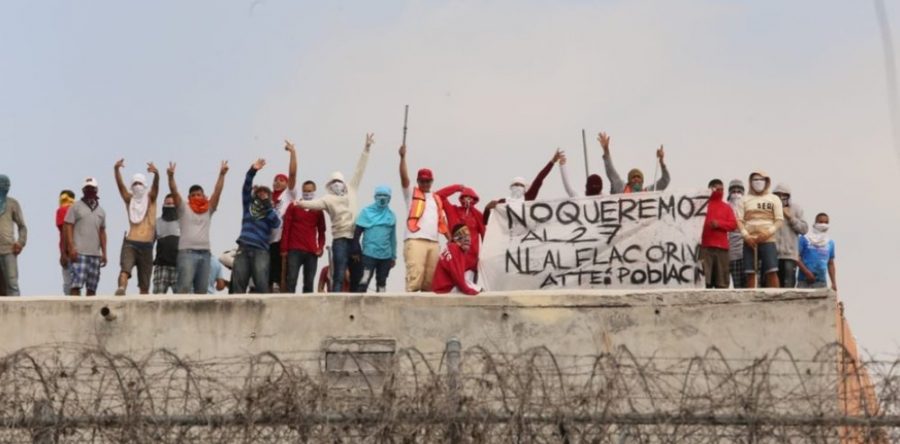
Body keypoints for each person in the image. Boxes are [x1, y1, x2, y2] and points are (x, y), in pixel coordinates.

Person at [296, 134, 373, 292]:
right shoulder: (328, 199)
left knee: (356, 273)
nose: (337, 185)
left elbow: (360, 170)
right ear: (330, 185)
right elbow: (314, 203)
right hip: (339, 239)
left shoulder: (351, 189)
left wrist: (366, 149)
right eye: (334, 182)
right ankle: (336, 300)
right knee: (338, 273)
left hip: (354, 238)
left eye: (339, 182)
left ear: (343, 183)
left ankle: (354, 300)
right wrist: (300, 203)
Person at [167, 161, 229, 294]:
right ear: (189, 197)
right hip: (187, 253)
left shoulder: (208, 209)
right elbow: (174, 191)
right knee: (183, 288)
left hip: (205, 254)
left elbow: (217, 192)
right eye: (193, 195)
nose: (196, 197)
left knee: (201, 292)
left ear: (203, 196)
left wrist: (222, 174)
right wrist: (171, 177)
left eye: (198, 194)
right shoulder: (184, 208)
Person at [399, 143, 449, 292]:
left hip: (433, 243)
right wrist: (402, 158)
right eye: (422, 181)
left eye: (428, 181)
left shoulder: (436, 199)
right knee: (415, 278)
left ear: (432, 181)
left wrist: (450, 239)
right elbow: (404, 178)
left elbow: (442, 222)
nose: (425, 183)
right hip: (415, 240)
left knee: (430, 282)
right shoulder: (411, 193)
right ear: (418, 181)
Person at [231, 159, 281, 294]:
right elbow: (246, 186)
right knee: (238, 284)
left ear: (269, 196)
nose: (261, 194)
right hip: (244, 247)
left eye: (265, 193)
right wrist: (252, 170)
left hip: (261, 251)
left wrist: (267, 205)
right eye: (259, 192)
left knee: (261, 283)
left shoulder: (272, 211)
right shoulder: (248, 206)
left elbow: (276, 223)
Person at [113, 160, 160, 295]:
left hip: (147, 245)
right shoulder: (130, 199)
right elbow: (120, 187)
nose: (137, 186)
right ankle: (121, 289)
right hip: (131, 243)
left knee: (144, 284)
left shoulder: (151, 199)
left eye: (139, 183)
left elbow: (156, 187)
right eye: (134, 184)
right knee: (125, 270)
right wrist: (116, 170)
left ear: (144, 185)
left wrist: (156, 174)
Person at [484, 149, 565, 224]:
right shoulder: (502, 202)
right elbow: (485, 222)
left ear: (524, 188)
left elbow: (539, 178)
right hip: (509, 237)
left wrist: (552, 162)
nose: (518, 187)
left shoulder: (528, 198)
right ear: (511, 187)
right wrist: (487, 209)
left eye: (521, 185)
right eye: (515, 184)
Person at [736, 171, 783, 288]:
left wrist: (767, 233)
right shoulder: (744, 200)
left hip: (768, 240)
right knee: (750, 273)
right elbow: (739, 220)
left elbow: (779, 220)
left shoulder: (774, 199)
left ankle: (775, 298)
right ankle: (751, 299)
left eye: (761, 180)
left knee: (771, 271)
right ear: (750, 182)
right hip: (749, 241)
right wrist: (746, 236)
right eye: (755, 180)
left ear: (766, 181)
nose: (758, 182)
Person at [64, 177, 107, 296]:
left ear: (96, 190)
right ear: (83, 190)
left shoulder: (101, 211)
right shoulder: (75, 207)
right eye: (87, 188)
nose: (89, 190)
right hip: (79, 253)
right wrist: (71, 247)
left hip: (95, 255)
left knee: (92, 287)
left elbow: (102, 232)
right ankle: (74, 311)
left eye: (92, 188)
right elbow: (68, 226)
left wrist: (104, 252)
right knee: (76, 285)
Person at [281, 180, 326, 293]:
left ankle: (307, 309)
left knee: (309, 282)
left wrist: (320, 247)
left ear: (314, 191)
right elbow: (286, 228)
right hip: (294, 250)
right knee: (291, 280)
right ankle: (289, 306)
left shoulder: (318, 210)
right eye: (305, 191)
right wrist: (284, 248)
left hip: (311, 251)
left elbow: (322, 231)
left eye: (309, 191)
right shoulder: (293, 206)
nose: (307, 193)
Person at [353, 186, 397, 293]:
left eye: (385, 195)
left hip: (385, 256)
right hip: (369, 255)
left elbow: (393, 238)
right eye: (379, 195)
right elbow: (357, 233)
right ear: (375, 197)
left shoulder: (391, 216)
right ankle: (359, 307)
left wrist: (393, 256)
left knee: (382, 284)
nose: (382, 198)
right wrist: (356, 250)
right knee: (364, 280)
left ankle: (381, 308)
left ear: (389, 198)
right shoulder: (366, 212)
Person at [267, 140, 298, 292]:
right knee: (267, 275)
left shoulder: (288, 195)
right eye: (275, 180)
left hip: (282, 240)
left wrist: (292, 153)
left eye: (281, 180)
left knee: (281, 274)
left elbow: (292, 173)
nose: (278, 182)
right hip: (266, 240)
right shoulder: (267, 198)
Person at [598, 131, 670, 194]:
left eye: (638, 177)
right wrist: (606, 151)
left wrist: (661, 161)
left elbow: (665, 180)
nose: (636, 179)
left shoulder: (649, 192)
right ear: (629, 181)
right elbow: (612, 173)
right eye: (633, 177)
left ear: (642, 180)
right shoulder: (622, 189)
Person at [435, 184, 484, 275]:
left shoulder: (478, 215)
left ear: (475, 199)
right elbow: (438, 196)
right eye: (465, 196)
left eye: (471, 197)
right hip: (454, 258)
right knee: (453, 288)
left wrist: (485, 257)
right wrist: (457, 188)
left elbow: (485, 237)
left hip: (471, 262)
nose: (468, 199)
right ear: (461, 198)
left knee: (468, 287)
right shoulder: (452, 210)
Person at [700, 179, 737, 289]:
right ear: (710, 189)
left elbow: (733, 225)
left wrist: (719, 224)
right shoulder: (702, 206)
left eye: (722, 189)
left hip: (722, 249)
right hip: (705, 247)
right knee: (705, 282)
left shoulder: (726, 207)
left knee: (722, 282)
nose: (720, 192)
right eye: (717, 189)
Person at [772, 184, 808, 288]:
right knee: (774, 289)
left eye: (784, 195)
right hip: (773, 256)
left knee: (788, 287)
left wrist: (790, 217)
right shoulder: (769, 210)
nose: (781, 197)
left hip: (790, 255)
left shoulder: (796, 209)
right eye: (778, 195)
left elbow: (804, 229)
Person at [431, 224, 481, 295]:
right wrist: (469, 291)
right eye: (464, 236)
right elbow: (457, 275)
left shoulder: (452, 247)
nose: (468, 239)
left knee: (475, 287)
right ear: (456, 238)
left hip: (442, 287)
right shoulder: (454, 249)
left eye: (469, 235)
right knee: (478, 291)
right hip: (444, 290)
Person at [0, 175, 26, 296]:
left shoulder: (12, 203)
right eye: (3, 184)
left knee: (12, 283)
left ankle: (16, 313)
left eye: (7, 185)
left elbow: (22, 226)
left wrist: (20, 243)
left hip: (8, 250)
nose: (6, 187)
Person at [798, 213, 837, 291]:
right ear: (815, 223)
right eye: (821, 222)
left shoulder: (830, 242)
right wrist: (807, 273)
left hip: (821, 281)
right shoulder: (805, 239)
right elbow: (796, 257)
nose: (823, 224)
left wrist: (833, 283)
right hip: (804, 281)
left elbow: (830, 263)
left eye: (826, 222)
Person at [153, 194, 180, 294]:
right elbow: (151, 242)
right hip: (161, 266)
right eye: (168, 203)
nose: (170, 206)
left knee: (181, 302)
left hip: (178, 266)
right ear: (163, 205)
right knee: (156, 301)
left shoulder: (182, 222)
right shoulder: (157, 222)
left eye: (172, 204)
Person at [726, 180, 746, 288]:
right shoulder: (726, 207)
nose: (736, 193)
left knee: (747, 288)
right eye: (733, 191)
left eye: (739, 191)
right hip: (731, 254)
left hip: (746, 253)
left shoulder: (748, 207)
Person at [56, 189, 76, 294]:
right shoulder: (78, 210)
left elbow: (64, 230)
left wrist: (63, 253)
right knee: (77, 282)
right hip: (79, 250)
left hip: (68, 251)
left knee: (68, 282)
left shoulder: (61, 211)